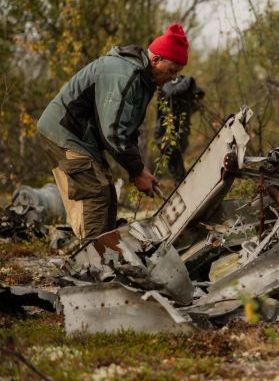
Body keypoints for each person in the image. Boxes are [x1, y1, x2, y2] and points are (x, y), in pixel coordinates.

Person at [37, 24, 189, 239]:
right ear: (156, 60)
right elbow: (114, 132)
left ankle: (107, 258)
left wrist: (140, 170)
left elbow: (128, 129)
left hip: (83, 137)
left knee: (107, 193)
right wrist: (136, 171)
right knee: (96, 193)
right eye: (172, 71)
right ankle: (92, 264)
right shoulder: (124, 74)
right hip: (63, 132)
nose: (173, 78)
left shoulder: (144, 80)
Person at [154, 74, 205, 182]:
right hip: (165, 132)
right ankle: (181, 184)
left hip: (179, 129)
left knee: (179, 150)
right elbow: (170, 94)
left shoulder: (186, 84)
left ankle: (182, 182)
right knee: (174, 159)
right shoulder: (166, 86)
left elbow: (198, 97)